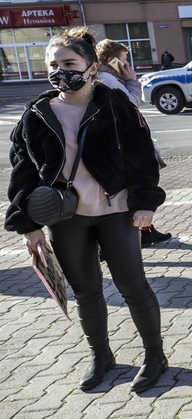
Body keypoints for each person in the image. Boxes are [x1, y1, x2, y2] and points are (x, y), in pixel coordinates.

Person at [5, 27, 169, 393]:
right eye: (54, 64)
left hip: (117, 210)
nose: (61, 71)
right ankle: (102, 356)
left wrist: (145, 203)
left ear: (92, 67)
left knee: (133, 286)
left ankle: (155, 356)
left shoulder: (115, 104)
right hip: (65, 218)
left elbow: (142, 156)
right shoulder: (36, 114)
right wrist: (27, 224)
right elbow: (23, 171)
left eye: (70, 63)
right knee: (86, 290)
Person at [96, 39, 172, 249]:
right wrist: (132, 81)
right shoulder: (106, 79)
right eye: (124, 59)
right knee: (134, 186)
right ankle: (140, 233)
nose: (128, 64)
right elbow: (130, 104)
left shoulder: (110, 77)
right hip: (123, 144)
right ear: (112, 61)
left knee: (136, 186)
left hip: (126, 140)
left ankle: (146, 230)